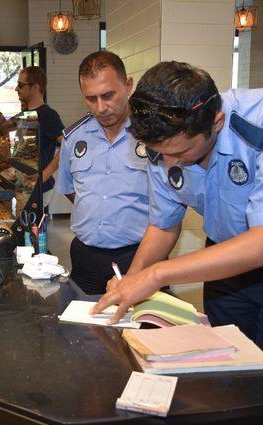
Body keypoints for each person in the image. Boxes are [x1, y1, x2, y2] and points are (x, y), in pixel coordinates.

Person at [93, 61, 263, 389]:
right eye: (159, 153)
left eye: (181, 152)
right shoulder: (163, 142)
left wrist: (157, 274)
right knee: (222, 369)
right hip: (225, 261)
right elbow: (163, 225)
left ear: (216, 122)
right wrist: (131, 281)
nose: (168, 162)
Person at [56, 51, 150, 295]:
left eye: (108, 95)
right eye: (91, 98)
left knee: (141, 330)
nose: (101, 107)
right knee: (82, 329)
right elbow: (70, 190)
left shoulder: (153, 135)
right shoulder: (73, 137)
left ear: (128, 85)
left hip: (139, 255)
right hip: (86, 257)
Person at [15, 66, 64, 209]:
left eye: (20, 85)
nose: (16, 89)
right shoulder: (27, 113)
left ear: (35, 87)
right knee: (23, 229)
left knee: (32, 230)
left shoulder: (48, 114)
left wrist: (45, 174)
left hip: (38, 188)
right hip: (23, 185)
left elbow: (68, 144)